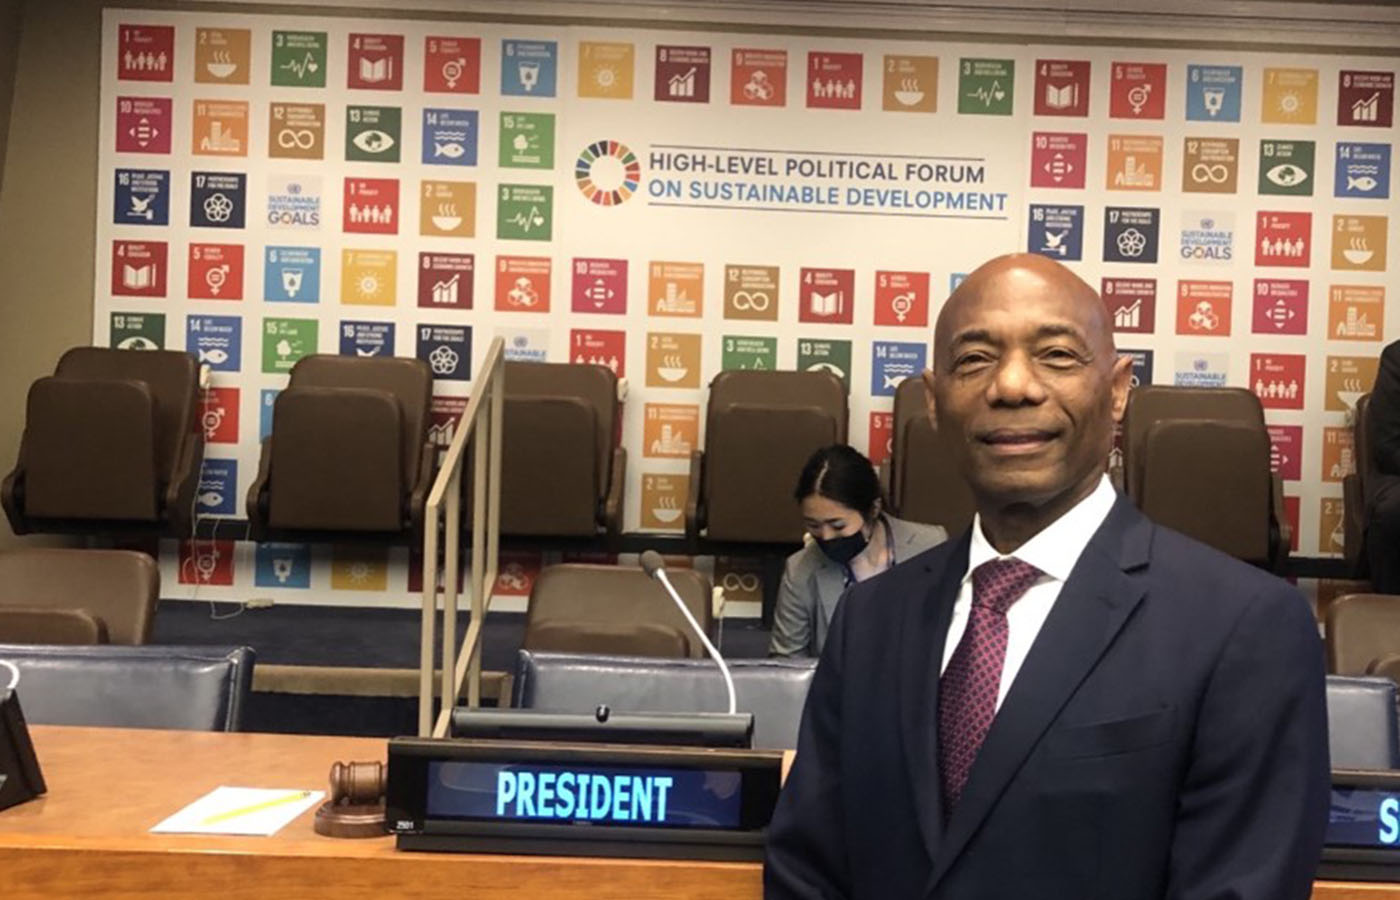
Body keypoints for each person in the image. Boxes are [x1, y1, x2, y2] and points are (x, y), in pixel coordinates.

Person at [765, 253, 1328, 899]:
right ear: (934, 400)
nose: (1012, 385)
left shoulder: (1243, 628)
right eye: (974, 359)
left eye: (1056, 355)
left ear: (1117, 389)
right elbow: (808, 869)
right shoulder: (872, 620)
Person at [769, 444, 946, 657]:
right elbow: (787, 667)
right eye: (813, 525)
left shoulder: (931, 546)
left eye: (837, 526)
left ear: (873, 509)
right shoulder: (800, 570)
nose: (825, 536)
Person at [1366, 338, 1400, 593]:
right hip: (1397, 473)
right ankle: (1389, 613)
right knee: (1394, 509)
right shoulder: (1397, 357)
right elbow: (1386, 445)